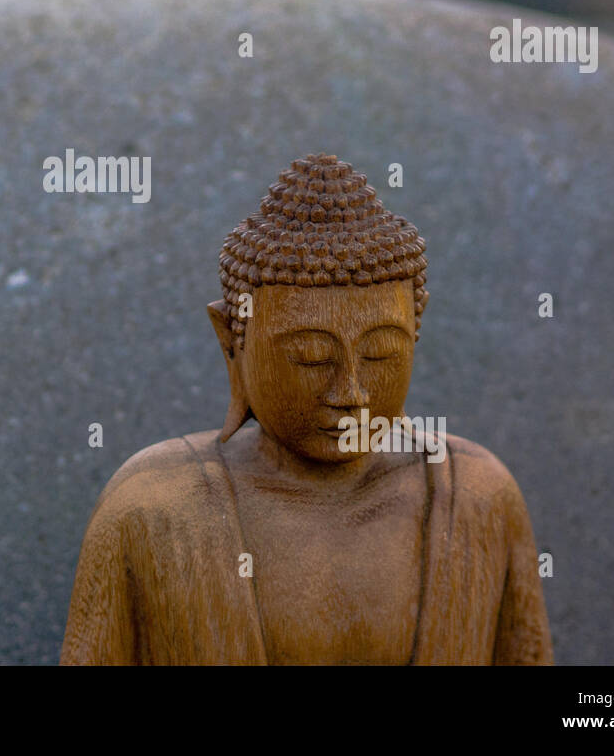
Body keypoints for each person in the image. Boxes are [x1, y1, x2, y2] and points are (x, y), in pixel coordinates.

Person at [60, 153, 552, 665]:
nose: (351, 392)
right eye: (311, 357)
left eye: (381, 352)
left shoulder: (478, 498)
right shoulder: (152, 509)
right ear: (231, 340)